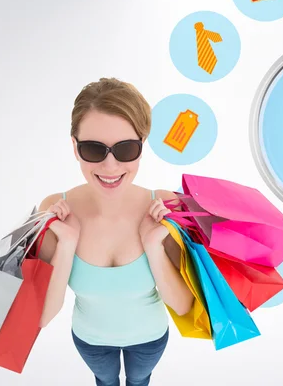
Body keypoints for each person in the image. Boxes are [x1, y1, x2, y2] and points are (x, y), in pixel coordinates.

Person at [36, 77, 195, 386]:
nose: (110, 166)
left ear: (142, 146)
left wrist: (153, 245)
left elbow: (182, 304)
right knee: (105, 382)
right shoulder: (54, 208)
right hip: (90, 340)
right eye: (94, 149)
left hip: (150, 338)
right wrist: (66, 242)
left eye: (126, 149)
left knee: (139, 381)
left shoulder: (164, 205)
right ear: (74, 147)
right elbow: (42, 317)